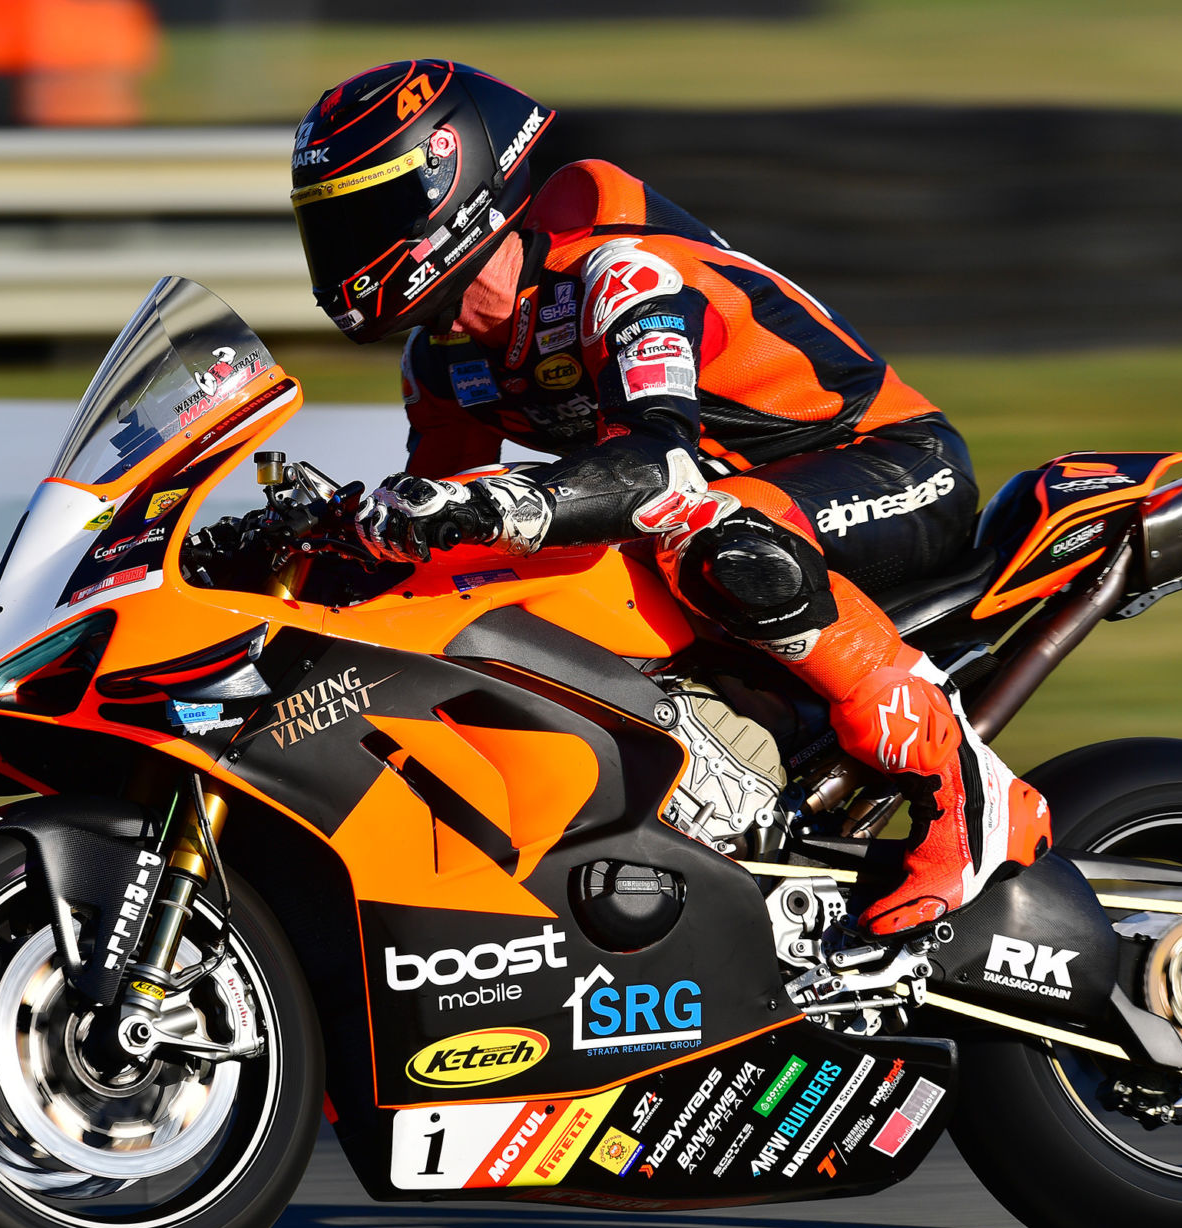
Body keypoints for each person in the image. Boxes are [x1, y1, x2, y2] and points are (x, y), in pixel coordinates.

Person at [280, 59, 1049, 936]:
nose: (343, 251)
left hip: (890, 467)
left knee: (705, 530)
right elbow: (446, 513)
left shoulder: (618, 273)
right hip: (745, 498)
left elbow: (656, 468)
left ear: (447, 184)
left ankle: (968, 788)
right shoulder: (441, 362)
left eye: (363, 217)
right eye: (327, 227)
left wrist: (498, 505)